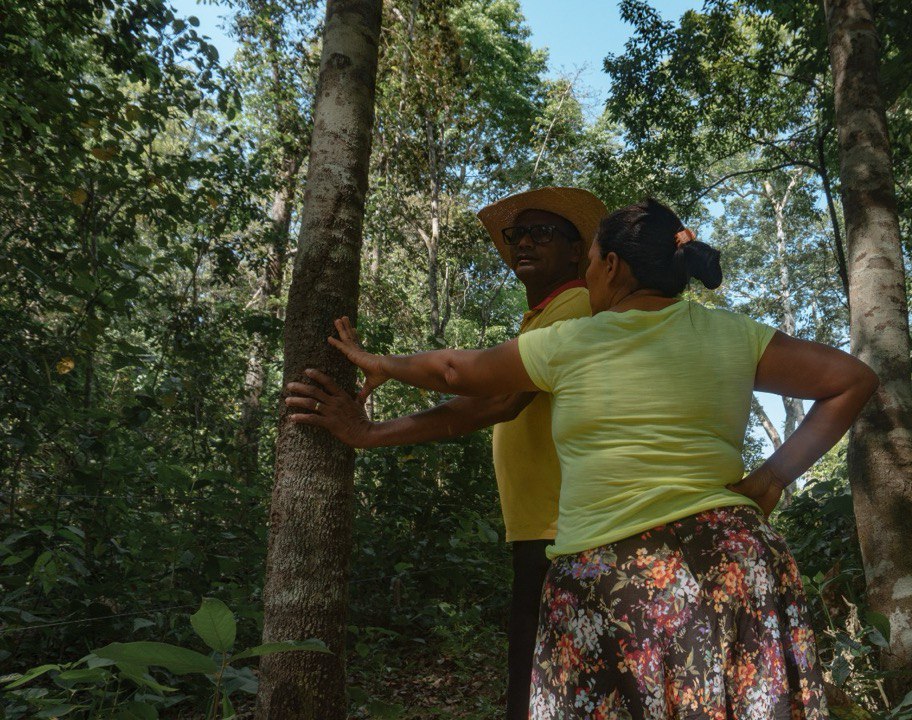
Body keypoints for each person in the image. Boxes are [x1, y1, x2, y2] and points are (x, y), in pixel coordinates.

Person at [293, 198, 879, 717]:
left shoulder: (574, 337)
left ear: (610, 266)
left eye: (591, 260)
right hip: (734, 558)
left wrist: (377, 361)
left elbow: (457, 371)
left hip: (613, 568)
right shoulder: (734, 333)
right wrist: (776, 473)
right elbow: (850, 379)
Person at [284, 187, 605, 720]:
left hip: (565, 531)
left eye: (543, 232)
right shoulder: (545, 317)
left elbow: (492, 400)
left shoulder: (574, 308)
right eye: (517, 234)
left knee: (543, 694)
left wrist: (369, 427)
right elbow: (483, 400)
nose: (524, 241)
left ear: (577, 252)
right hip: (549, 529)